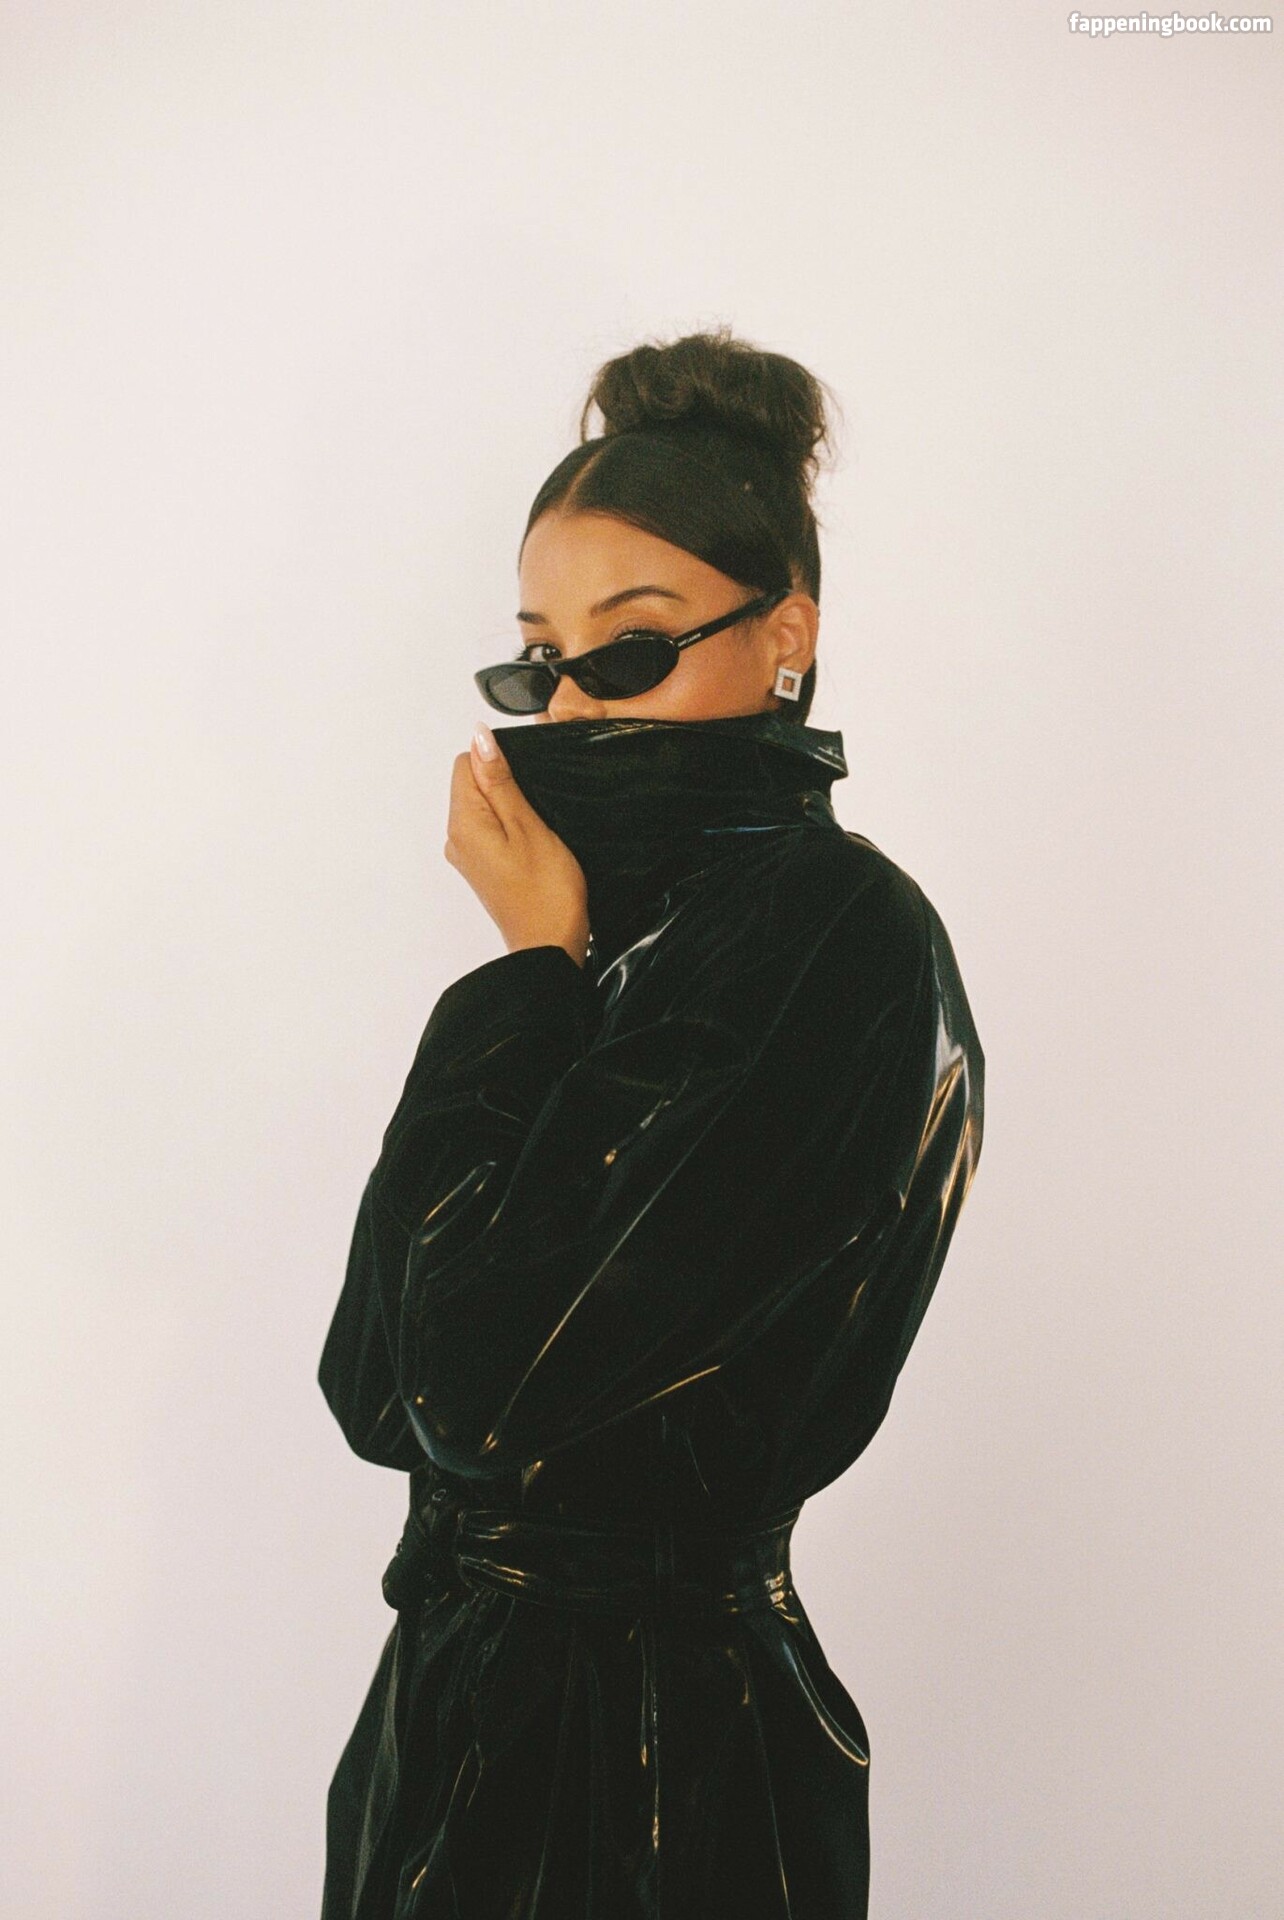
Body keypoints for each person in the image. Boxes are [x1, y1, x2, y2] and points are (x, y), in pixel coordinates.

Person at [317, 327, 985, 1919]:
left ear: (787, 636)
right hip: (450, 1728)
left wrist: (529, 973)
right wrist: (539, 970)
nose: (568, 705)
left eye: (629, 651)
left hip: (653, 1771)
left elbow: (473, 1395)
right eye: (535, 662)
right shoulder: (608, 938)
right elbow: (370, 1387)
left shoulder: (832, 936)